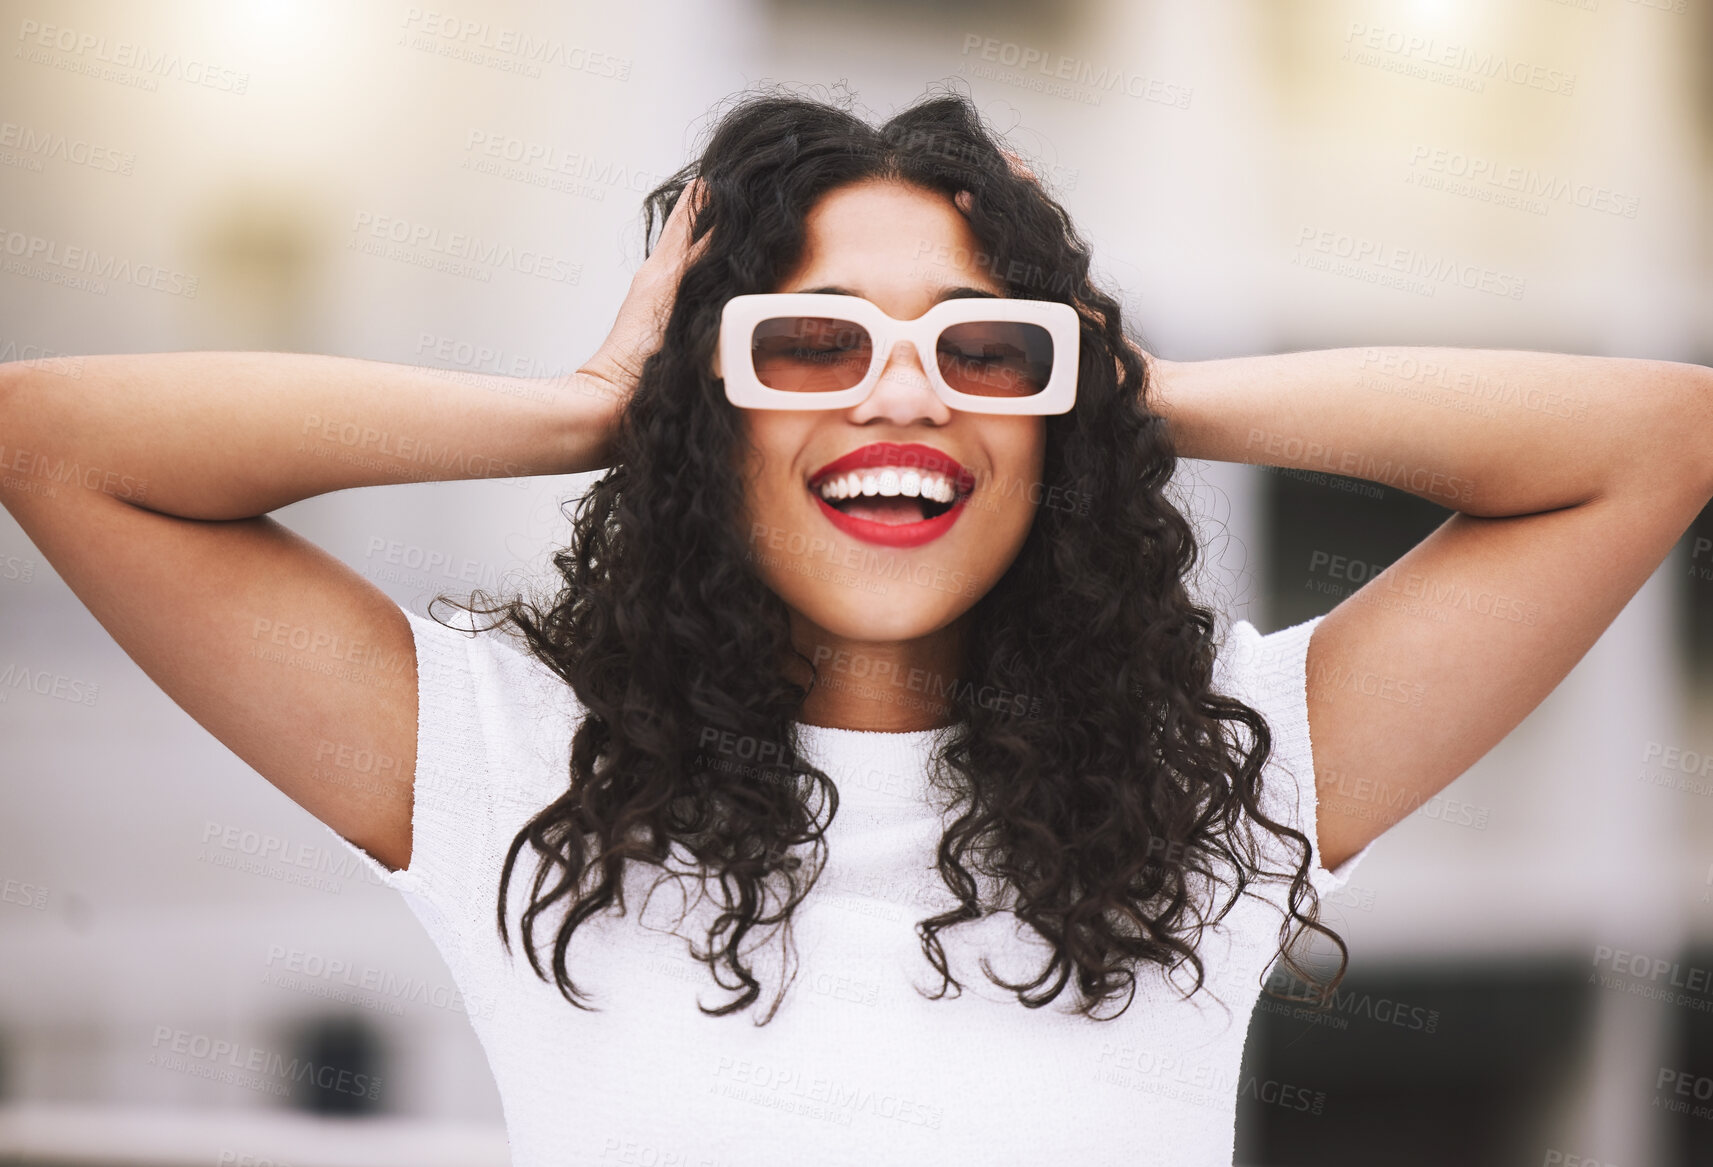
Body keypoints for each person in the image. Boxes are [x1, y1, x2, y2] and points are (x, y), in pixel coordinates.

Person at [3, 87, 1709, 1167]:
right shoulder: (513, 772)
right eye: (808, 345)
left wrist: (1124, 388)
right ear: (711, 414)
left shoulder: (1211, 792)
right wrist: (593, 401)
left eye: (983, 352)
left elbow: (1650, 440)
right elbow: (56, 444)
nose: (904, 398)